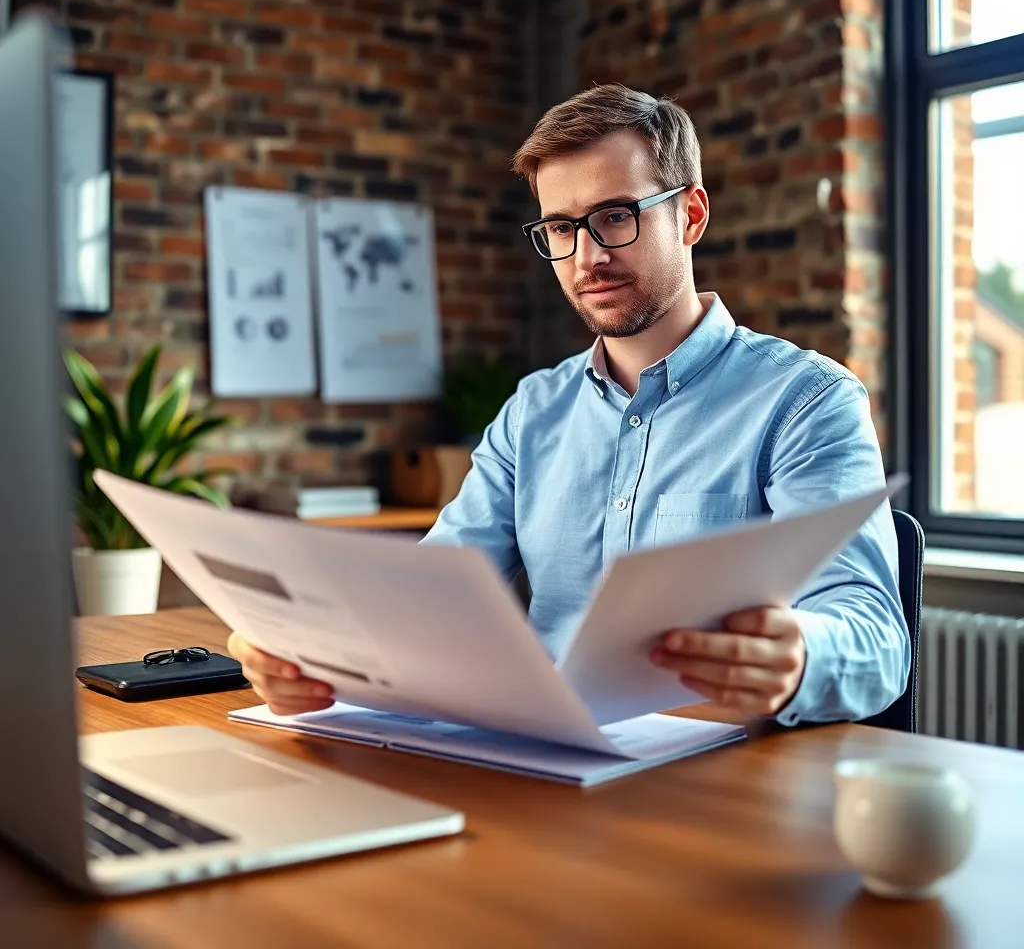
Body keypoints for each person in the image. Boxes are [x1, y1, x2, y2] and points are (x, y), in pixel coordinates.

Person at [228, 84, 909, 727]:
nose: (587, 258)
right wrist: (307, 650)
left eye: (615, 217)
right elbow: (432, 595)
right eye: (560, 229)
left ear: (691, 214)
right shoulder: (533, 412)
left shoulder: (805, 401)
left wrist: (800, 658)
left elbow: (877, 640)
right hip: (539, 764)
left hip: (715, 780)